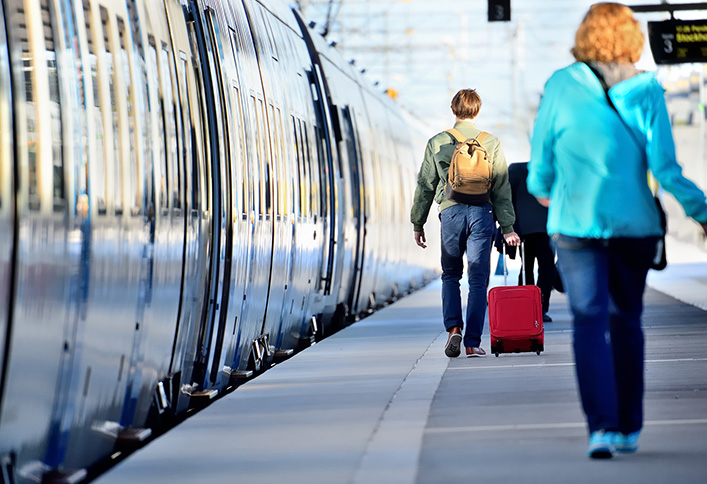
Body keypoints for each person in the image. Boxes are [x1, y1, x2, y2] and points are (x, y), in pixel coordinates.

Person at [527, 2, 707, 459]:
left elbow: (540, 167)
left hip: (574, 227)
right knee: (626, 320)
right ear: (633, 37)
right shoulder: (647, 88)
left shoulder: (561, 85)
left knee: (588, 321)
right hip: (634, 226)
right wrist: (701, 211)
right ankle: (629, 428)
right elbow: (666, 168)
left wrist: (549, 190)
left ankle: (601, 429)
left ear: (585, 34)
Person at [411, 88, 520, 358]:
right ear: (478, 111)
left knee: (450, 275)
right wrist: (507, 228)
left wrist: (418, 222)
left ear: (453, 111)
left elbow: (425, 185)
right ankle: (472, 343)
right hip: (482, 214)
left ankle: (453, 330)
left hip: (450, 213)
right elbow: (502, 188)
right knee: (478, 279)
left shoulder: (437, 142)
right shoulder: (491, 143)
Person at [508, 161, 560, 322]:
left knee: (526, 268)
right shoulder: (552, 169)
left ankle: (526, 307)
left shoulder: (515, 171)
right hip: (545, 228)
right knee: (546, 269)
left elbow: (508, 198)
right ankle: (541, 308)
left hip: (524, 229)